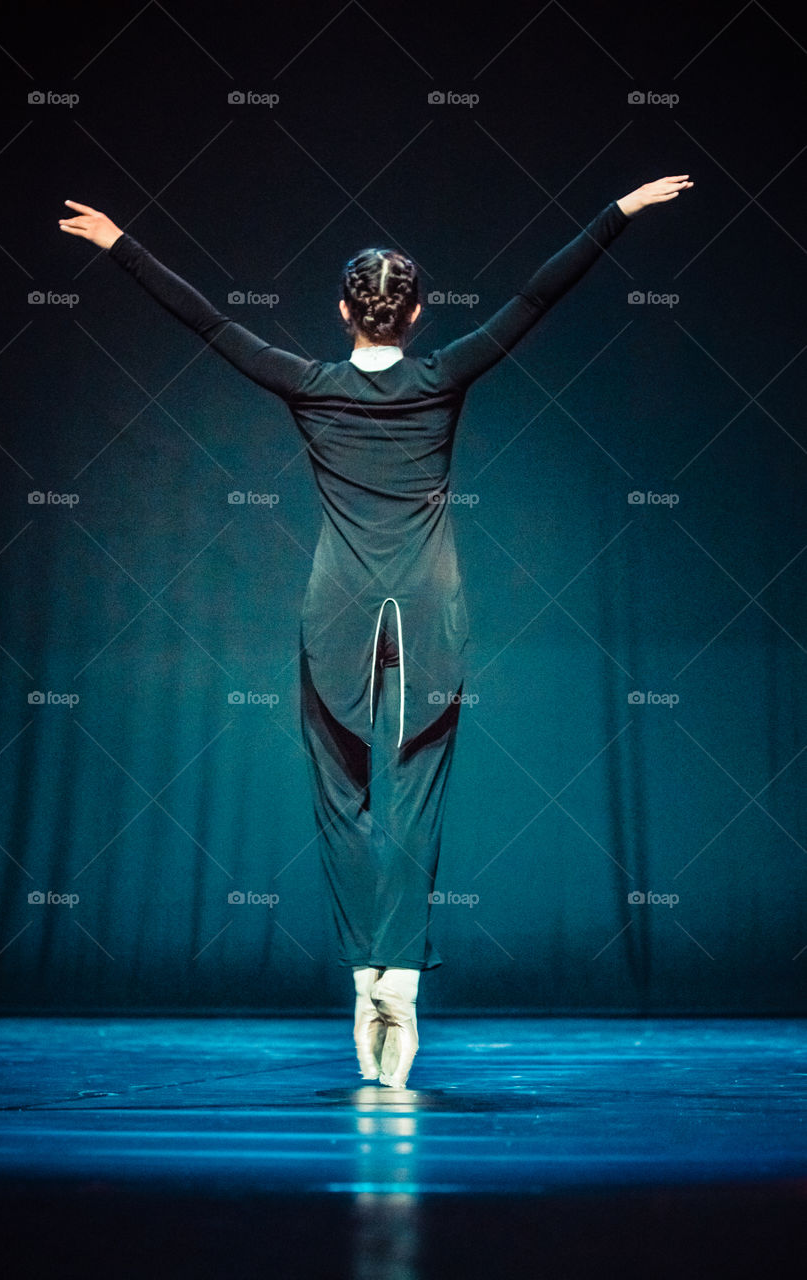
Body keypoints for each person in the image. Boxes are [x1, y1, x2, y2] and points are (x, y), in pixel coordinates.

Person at [59, 174, 693, 1088]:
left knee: (342, 797)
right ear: (419, 313)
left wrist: (120, 241)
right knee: (418, 795)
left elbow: (203, 321)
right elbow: (535, 297)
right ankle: (401, 977)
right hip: (431, 602)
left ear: (342, 311)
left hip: (340, 602)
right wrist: (617, 214)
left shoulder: (308, 382)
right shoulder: (445, 373)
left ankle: (365, 978)